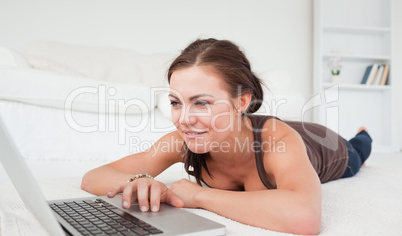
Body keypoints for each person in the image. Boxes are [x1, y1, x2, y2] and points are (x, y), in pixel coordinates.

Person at [81, 38, 372, 235]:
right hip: (271, 130)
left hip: (331, 148)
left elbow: (305, 218)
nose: (184, 119)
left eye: (202, 102)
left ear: (242, 102)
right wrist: (137, 181)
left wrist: (200, 195)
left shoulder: (277, 141)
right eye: (175, 102)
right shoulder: (183, 141)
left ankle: (363, 134)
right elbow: (93, 177)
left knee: (360, 148)